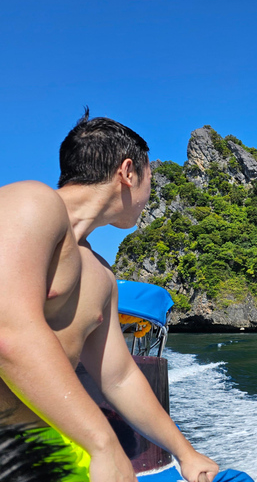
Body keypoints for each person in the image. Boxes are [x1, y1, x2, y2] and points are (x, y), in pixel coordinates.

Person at [0, 110, 219, 482]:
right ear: (128, 172)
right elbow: (10, 332)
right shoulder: (30, 203)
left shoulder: (101, 275)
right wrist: (103, 442)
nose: (150, 195)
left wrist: (186, 453)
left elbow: (118, 377)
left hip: (35, 451)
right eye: (151, 179)